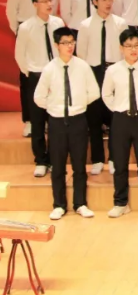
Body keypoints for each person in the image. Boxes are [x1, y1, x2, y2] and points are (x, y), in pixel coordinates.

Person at [34, 27, 101, 220]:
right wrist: (54, 107)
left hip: (78, 119)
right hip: (56, 121)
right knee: (57, 166)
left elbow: (94, 92)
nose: (69, 46)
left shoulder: (82, 66)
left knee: (80, 165)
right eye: (65, 43)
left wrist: (78, 104)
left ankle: (80, 203)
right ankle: (59, 205)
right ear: (57, 45)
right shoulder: (49, 69)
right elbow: (38, 97)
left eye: (72, 42)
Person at [102, 29, 138, 218]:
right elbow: (106, 94)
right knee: (120, 164)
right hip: (120, 119)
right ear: (121, 48)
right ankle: (120, 203)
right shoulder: (113, 70)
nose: (133, 50)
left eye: (136, 45)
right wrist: (118, 109)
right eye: (128, 46)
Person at [7, 0, 58, 138]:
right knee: (28, 78)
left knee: (51, 75)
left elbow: (55, 2)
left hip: (46, 28)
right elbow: (11, 12)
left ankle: (49, 118)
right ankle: (29, 120)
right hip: (28, 32)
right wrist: (21, 32)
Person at [77, 0, 129, 176]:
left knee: (115, 118)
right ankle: (97, 159)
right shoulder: (85, 25)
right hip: (93, 72)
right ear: (95, 2)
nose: (108, 3)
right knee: (94, 118)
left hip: (115, 70)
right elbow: (81, 54)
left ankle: (115, 158)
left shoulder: (120, 23)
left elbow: (125, 50)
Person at [14, 0, 64, 177]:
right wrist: (31, 74)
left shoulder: (58, 23)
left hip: (56, 74)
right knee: (37, 121)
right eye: (44, 1)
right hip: (36, 76)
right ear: (35, 4)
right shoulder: (26, 27)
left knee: (56, 120)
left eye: (51, 0)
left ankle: (54, 159)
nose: (49, 4)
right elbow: (19, 55)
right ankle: (41, 160)